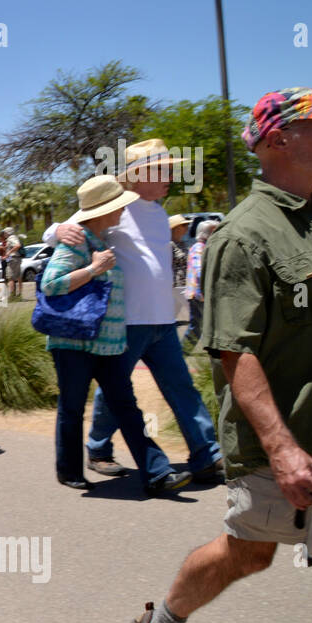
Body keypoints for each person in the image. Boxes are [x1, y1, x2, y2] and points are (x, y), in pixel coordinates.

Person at [129, 87, 312, 623]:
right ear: (280, 140)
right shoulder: (245, 235)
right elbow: (235, 350)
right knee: (250, 553)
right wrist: (281, 449)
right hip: (286, 442)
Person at [51, 140, 222, 485]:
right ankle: (99, 449)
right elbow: (66, 230)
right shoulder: (115, 208)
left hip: (162, 320)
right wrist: (56, 230)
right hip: (125, 322)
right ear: (139, 174)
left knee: (181, 387)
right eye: (163, 169)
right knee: (115, 390)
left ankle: (206, 456)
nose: (170, 176)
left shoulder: (160, 212)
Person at [41, 176, 192, 497]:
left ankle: (157, 473)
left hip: (108, 343)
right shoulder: (78, 241)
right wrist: (94, 269)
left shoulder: (103, 239)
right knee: (72, 406)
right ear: (101, 212)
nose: (122, 211)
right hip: (73, 344)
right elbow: (50, 284)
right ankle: (69, 471)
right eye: (117, 207)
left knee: (126, 405)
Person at [181, 220, 216, 353]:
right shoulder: (199, 248)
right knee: (196, 327)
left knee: (201, 326)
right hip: (198, 294)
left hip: (200, 294)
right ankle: (183, 352)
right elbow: (199, 269)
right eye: (213, 231)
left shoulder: (204, 247)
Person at [2, 226, 24, 299]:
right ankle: (19, 294)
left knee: (10, 277)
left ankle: (12, 296)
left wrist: (8, 253)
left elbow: (17, 245)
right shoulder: (14, 237)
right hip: (15, 258)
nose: (4, 234)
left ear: (7, 233)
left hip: (13, 259)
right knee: (18, 276)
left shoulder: (11, 238)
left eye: (4, 232)